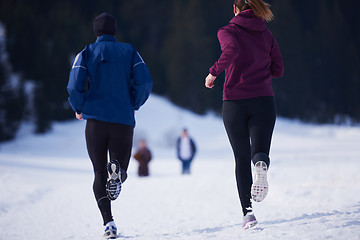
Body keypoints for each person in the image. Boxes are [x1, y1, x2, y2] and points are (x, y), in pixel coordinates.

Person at [67, 12, 152, 239]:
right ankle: (118, 171)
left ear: (96, 32)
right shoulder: (130, 51)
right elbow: (145, 80)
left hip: (95, 121)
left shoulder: (86, 52)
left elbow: (75, 83)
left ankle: (109, 223)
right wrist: (134, 102)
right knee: (120, 170)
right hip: (123, 121)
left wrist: (78, 107)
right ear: (114, 30)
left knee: (98, 172)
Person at [205, 0, 284, 230]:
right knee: (258, 152)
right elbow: (278, 69)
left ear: (235, 8)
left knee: (241, 157)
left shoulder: (228, 31)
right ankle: (260, 162)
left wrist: (213, 73)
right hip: (264, 101)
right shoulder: (266, 33)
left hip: (235, 103)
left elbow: (231, 50)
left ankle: (248, 213)